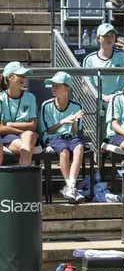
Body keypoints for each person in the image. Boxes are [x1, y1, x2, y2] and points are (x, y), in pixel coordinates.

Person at [40, 71, 86, 203]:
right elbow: (48, 131)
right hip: (53, 137)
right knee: (64, 151)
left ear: (67, 87)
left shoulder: (77, 106)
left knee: (79, 147)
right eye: (53, 85)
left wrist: (74, 122)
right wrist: (64, 121)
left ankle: (70, 185)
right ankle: (71, 186)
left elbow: (75, 132)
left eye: (57, 85)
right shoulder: (46, 105)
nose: (53, 88)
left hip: (70, 136)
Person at [82, 23, 124, 103]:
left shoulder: (122, 56)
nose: (109, 38)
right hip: (96, 103)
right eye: (106, 36)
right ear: (98, 38)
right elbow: (86, 87)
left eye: (112, 36)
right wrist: (102, 97)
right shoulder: (89, 59)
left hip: (119, 101)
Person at [0, 62, 39, 166]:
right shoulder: (1, 98)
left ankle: (23, 172)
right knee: (27, 146)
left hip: (25, 135)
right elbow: (0, 128)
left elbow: (33, 126)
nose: (24, 78)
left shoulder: (30, 97)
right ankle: (25, 175)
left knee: (29, 136)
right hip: (7, 137)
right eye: (20, 75)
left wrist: (10, 125)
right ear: (10, 77)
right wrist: (19, 129)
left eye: (24, 76)